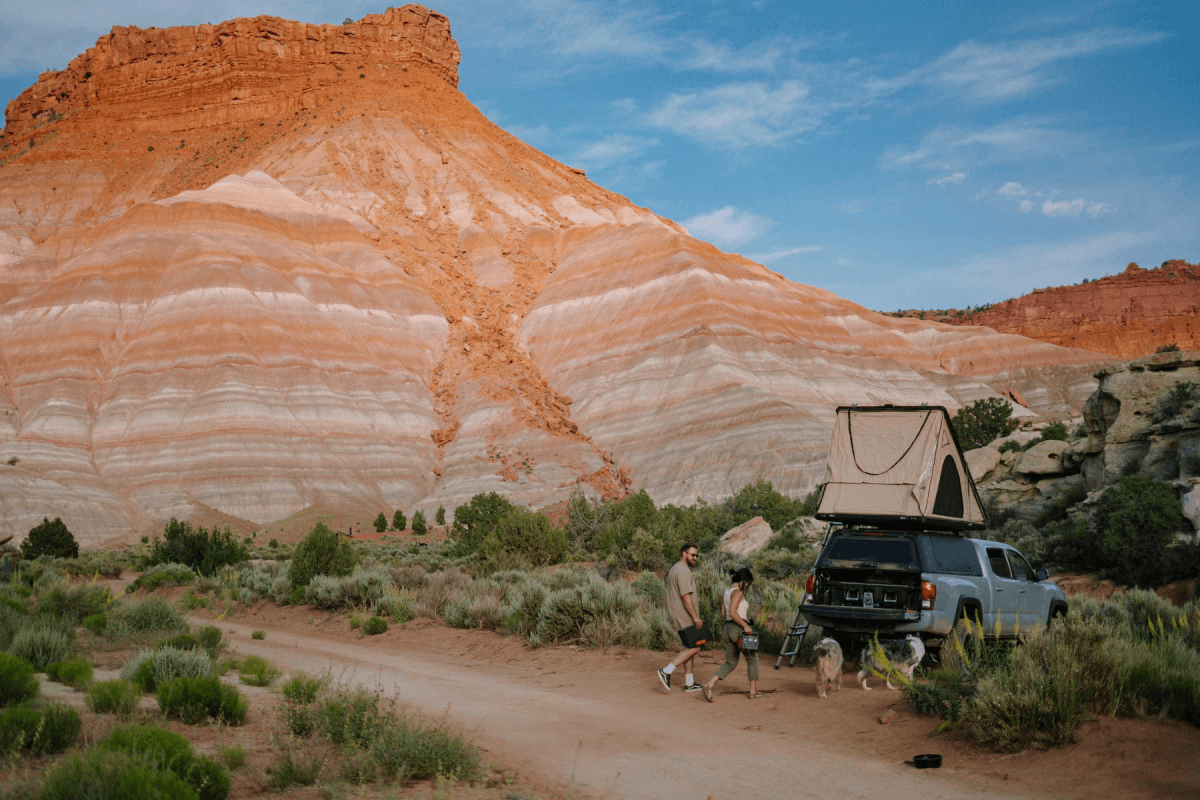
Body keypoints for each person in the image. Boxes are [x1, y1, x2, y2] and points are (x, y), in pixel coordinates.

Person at [701, 567, 759, 701]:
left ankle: (710, 685)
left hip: (727, 629)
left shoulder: (726, 592)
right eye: (748, 583)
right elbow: (733, 613)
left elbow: (724, 614)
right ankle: (753, 692)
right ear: (744, 581)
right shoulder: (738, 593)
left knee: (731, 662)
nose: (748, 586)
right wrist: (745, 625)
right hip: (738, 628)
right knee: (752, 658)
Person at [657, 542, 705, 692]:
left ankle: (689, 683)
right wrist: (695, 617)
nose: (695, 558)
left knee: (689, 646)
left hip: (678, 614)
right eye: (692, 555)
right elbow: (686, 597)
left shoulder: (675, 568)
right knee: (697, 646)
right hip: (685, 615)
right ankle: (666, 671)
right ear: (684, 554)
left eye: (696, 555)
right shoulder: (683, 571)